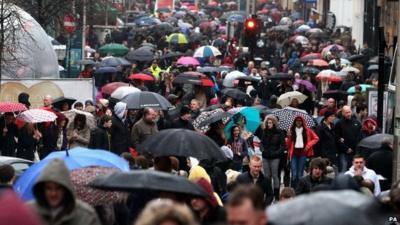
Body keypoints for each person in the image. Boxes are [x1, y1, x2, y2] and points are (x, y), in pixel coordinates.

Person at [28, 159, 101, 225]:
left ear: (66, 188)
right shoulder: (28, 211)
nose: (53, 194)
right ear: (42, 189)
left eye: (58, 188)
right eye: (48, 188)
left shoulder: (86, 216)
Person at [286, 116, 319, 188]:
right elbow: (288, 145)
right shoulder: (291, 130)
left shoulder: (307, 130)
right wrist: (289, 137)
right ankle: (293, 189)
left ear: (302, 122)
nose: (298, 122)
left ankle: (299, 189)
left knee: (300, 174)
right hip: (294, 154)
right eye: (297, 120)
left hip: (303, 154)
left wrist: (308, 146)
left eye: (300, 121)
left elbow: (316, 138)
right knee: (294, 174)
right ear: (295, 122)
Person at [259, 115, 285, 201]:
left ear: (274, 123)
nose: (268, 124)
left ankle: (276, 194)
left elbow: (282, 146)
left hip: (275, 156)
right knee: (267, 176)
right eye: (267, 122)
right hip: (265, 156)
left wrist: (276, 153)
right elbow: (261, 143)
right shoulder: (264, 131)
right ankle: (268, 193)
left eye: (270, 123)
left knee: (275, 175)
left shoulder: (279, 132)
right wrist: (262, 150)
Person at [335, 105, 361, 172]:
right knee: (343, 170)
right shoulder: (339, 123)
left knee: (354, 171)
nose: (348, 114)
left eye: (349, 112)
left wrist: (355, 148)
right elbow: (337, 138)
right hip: (343, 152)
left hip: (354, 152)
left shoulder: (357, 123)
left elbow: (359, 137)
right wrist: (346, 148)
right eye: (346, 112)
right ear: (343, 113)